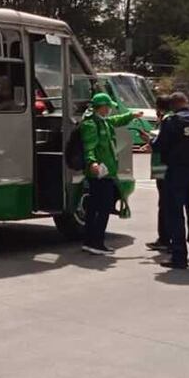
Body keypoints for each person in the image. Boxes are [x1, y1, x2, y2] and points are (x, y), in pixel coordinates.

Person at [152, 92, 189, 269]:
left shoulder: (172, 122)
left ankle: (179, 257)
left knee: (176, 215)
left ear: (172, 106)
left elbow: (159, 146)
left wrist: (151, 141)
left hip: (177, 174)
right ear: (187, 102)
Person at [80, 92, 141, 255]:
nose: (109, 110)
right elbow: (89, 146)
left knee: (94, 208)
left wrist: (131, 115)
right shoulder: (91, 125)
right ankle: (97, 242)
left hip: (106, 172)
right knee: (102, 208)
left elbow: (117, 120)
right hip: (100, 174)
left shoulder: (103, 122)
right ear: (102, 107)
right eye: (108, 107)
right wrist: (92, 161)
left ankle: (89, 241)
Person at [142, 95, 173, 252]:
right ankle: (167, 238)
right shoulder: (170, 121)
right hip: (167, 170)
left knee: (165, 205)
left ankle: (165, 239)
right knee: (168, 205)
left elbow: (161, 144)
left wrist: (149, 141)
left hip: (164, 170)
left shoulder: (167, 122)